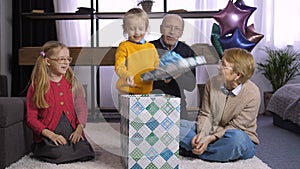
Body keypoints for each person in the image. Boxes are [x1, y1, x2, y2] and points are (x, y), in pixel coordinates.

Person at [179, 48, 261, 162]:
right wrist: (202, 134)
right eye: (220, 62)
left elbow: (236, 126)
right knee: (177, 126)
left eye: (223, 65)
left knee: (237, 141)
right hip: (211, 130)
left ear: (237, 75)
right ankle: (214, 152)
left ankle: (193, 152)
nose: (218, 67)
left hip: (236, 135)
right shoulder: (211, 83)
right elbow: (205, 113)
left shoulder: (253, 93)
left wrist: (209, 139)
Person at [26, 41, 95, 164]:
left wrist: (79, 129)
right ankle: (45, 150)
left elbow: (81, 109)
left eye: (68, 59)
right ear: (48, 61)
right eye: (61, 59)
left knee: (86, 151)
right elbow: (31, 118)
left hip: (72, 131)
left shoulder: (72, 83)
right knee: (58, 153)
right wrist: (51, 135)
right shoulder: (37, 86)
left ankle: (70, 149)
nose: (66, 62)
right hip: (49, 135)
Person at [150, 14, 196, 120]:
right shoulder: (149, 48)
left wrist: (176, 74)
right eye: (168, 27)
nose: (172, 32)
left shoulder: (187, 51)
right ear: (161, 28)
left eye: (177, 29)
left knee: (185, 135)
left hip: (177, 104)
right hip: (152, 102)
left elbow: (191, 85)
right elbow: (140, 79)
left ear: (181, 33)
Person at [115, 8, 160, 95]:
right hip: (127, 90)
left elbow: (156, 66)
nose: (137, 32)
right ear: (125, 29)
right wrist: (127, 75)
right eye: (132, 29)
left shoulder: (151, 47)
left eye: (141, 28)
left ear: (146, 28)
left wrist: (164, 74)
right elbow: (119, 66)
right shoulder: (124, 46)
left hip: (146, 91)